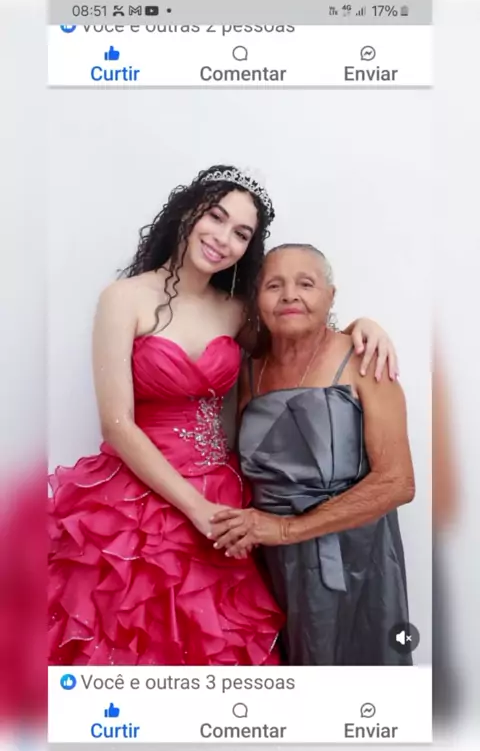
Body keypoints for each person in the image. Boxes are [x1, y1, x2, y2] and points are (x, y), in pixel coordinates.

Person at [48, 166, 399, 666]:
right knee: (131, 643)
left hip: (224, 494)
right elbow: (117, 425)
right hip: (138, 496)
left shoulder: (237, 311)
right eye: (216, 217)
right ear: (187, 213)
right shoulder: (123, 299)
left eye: (241, 233)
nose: (223, 238)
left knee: (219, 646)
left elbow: (299, 339)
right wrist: (196, 509)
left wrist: (364, 326)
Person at [210, 243, 415, 666]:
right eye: (274, 285)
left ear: (330, 296)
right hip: (269, 560)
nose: (290, 295)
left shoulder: (365, 361)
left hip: (353, 557)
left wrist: (287, 529)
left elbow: (398, 483)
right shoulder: (249, 369)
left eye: (306, 284)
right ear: (257, 298)